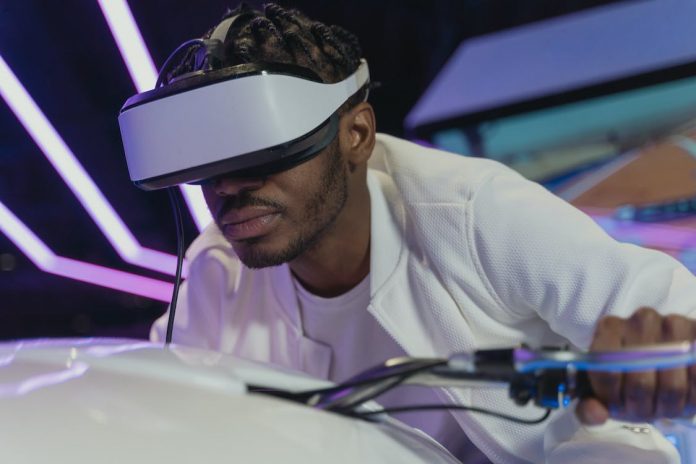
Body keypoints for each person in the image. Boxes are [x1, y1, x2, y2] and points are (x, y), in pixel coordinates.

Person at [149, 4, 696, 463]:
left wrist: (666, 351)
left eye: (265, 149)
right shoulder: (216, 275)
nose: (228, 186)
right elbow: (157, 406)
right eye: (209, 164)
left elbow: (671, 314)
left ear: (357, 135)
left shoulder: (471, 213)